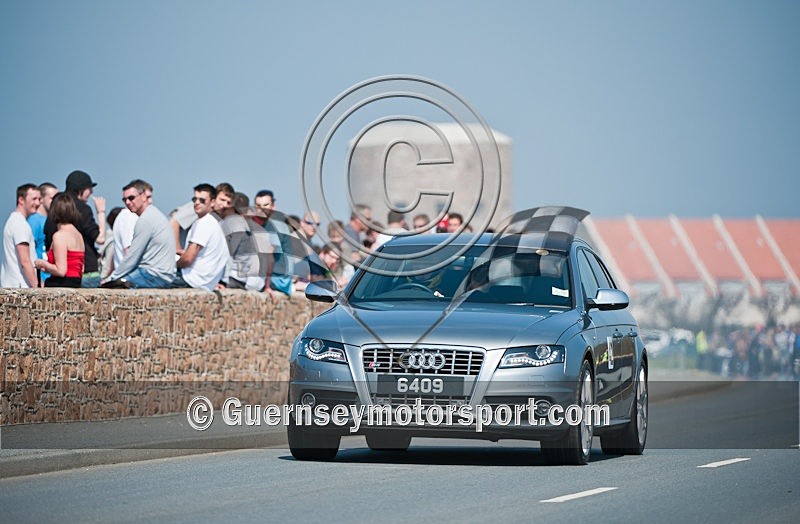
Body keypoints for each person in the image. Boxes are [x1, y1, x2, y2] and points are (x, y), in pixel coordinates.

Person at [106, 179, 176, 288]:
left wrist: (112, 278)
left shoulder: (145, 220)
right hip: (163, 274)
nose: (128, 202)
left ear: (143, 196)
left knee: (111, 288)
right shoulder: (154, 214)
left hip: (153, 275)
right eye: (124, 200)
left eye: (131, 198)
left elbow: (132, 256)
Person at [45, 170, 106, 287]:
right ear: (81, 189)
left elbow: (48, 239)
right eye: (89, 188)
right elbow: (100, 238)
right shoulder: (83, 209)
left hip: (59, 277)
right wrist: (101, 212)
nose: (91, 192)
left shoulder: (55, 208)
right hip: (85, 272)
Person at [176, 184, 229, 291]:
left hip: (191, 280)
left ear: (212, 202)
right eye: (194, 199)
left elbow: (187, 259)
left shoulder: (204, 223)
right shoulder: (216, 223)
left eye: (202, 200)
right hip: (206, 283)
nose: (197, 203)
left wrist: (174, 265)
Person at [33, 193, 85, 288]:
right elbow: (80, 268)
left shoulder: (59, 236)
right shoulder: (78, 235)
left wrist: (43, 264)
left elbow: (61, 271)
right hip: (76, 283)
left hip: (62, 285)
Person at [254, 189, 294, 296]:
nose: (261, 209)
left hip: (277, 281)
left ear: (273, 206)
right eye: (258, 206)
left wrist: (266, 286)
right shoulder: (279, 223)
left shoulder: (272, 225)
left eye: (265, 205)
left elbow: (269, 257)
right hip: (285, 281)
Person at [1, 184, 41, 288]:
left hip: (13, 284)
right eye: (34, 199)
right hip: (20, 285)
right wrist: (37, 288)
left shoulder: (15, 221)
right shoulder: (19, 224)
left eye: (39, 199)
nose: (37, 203)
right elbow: (25, 261)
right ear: (21, 200)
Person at [28, 182, 58, 285]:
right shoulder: (34, 220)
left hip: (49, 274)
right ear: (42, 198)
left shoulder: (50, 219)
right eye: (52, 198)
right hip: (40, 275)